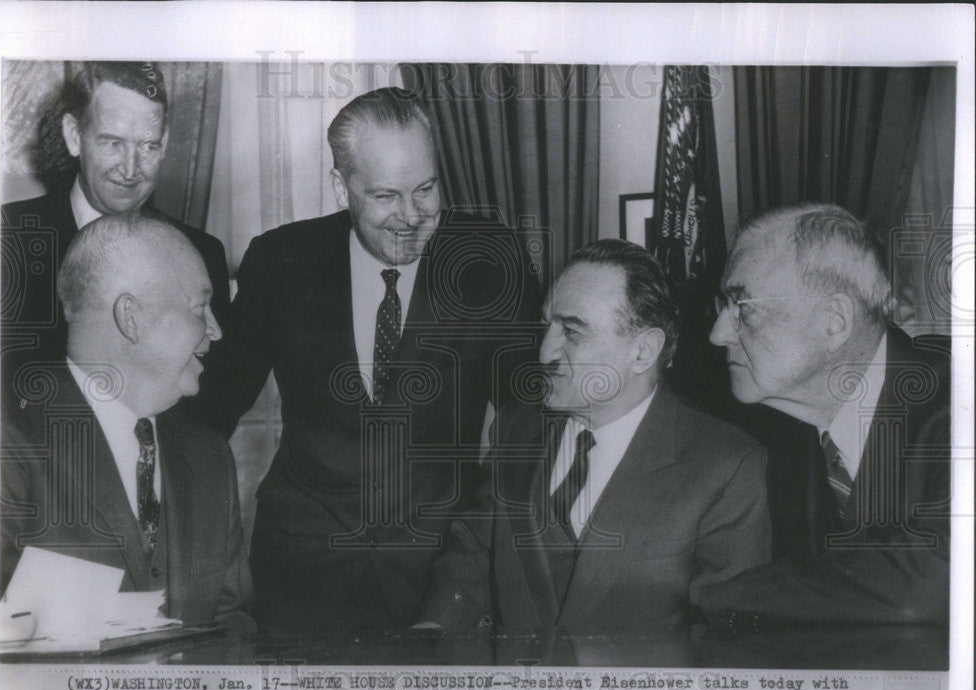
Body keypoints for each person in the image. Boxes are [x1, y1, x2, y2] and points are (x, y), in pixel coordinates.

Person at [190, 87, 540, 632]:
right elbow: (209, 409)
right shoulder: (281, 261)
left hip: (440, 571)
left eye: (425, 189)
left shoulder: (489, 260)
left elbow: (530, 423)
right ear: (341, 185)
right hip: (303, 568)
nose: (411, 217)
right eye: (385, 196)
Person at [419, 239, 772, 632]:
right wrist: (435, 628)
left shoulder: (726, 466)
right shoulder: (516, 429)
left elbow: (728, 633)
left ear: (642, 351)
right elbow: (475, 553)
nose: (545, 352)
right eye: (546, 326)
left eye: (572, 332)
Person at [698, 203, 950, 627]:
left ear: (834, 322)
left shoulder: (958, 403)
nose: (718, 333)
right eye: (723, 305)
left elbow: (931, 585)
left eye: (743, 307)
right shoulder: (767, 439)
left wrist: (710, 596)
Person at [0, 214, 252, 630]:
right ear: (129, 317)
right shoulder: (3, 447)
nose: (216, 330)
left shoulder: (209, 457)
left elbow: (230, 624)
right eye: (199, 307)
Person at [0, 61, 230, 389]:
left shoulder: (201, 252)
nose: (131, 169)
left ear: (164, 144)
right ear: (73, 136)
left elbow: (210, 400)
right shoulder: (7, 236)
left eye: (148, 146)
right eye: (114, 144)